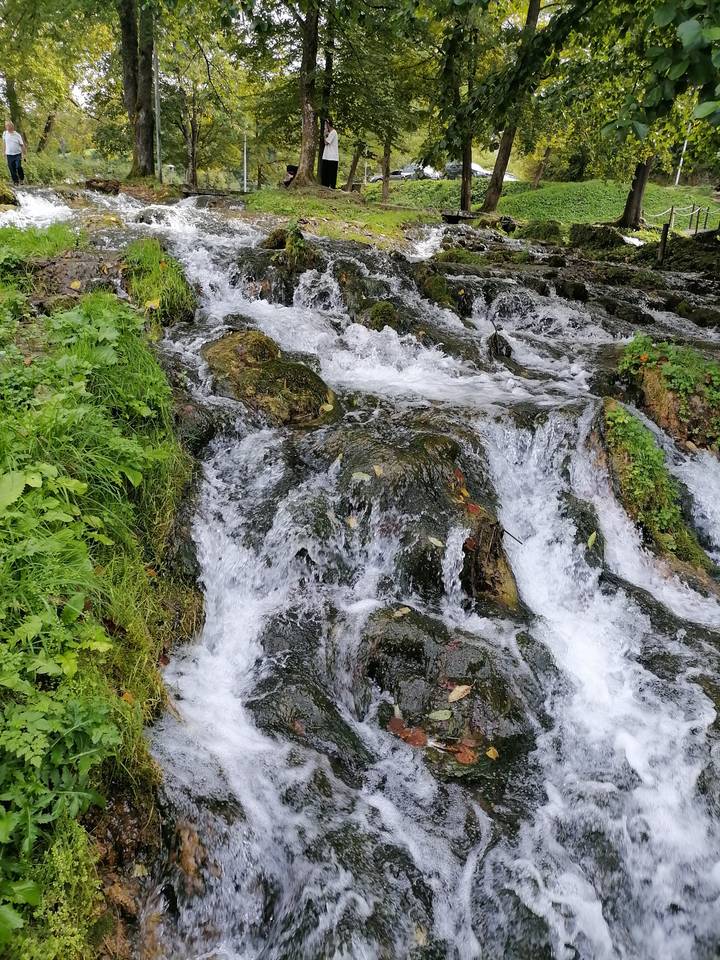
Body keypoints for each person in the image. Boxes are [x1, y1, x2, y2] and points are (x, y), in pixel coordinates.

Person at [3, 121, 26, 186]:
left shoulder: (17, 135)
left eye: (9, 126)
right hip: (9, 155)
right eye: (6, 126)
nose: (7, 127)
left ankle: (21, 179)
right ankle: (15, 181)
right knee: (12, 169)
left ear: (12, 127)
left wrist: (24, 155)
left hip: (17, 154)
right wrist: (4, 152)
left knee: (18, 167)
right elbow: (4, 143)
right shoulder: (4, 134)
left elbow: (22, 145)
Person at [321, 119, 338, 189]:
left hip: (332, 157)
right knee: (325, 174)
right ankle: (325, 187)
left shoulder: (333, 132)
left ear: (328, 124)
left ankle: (332, 188)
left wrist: (324, 135)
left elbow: (326, 142)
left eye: (325, 124)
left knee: (332, 174)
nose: (324, 126)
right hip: (326, 156)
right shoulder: (330, 133)